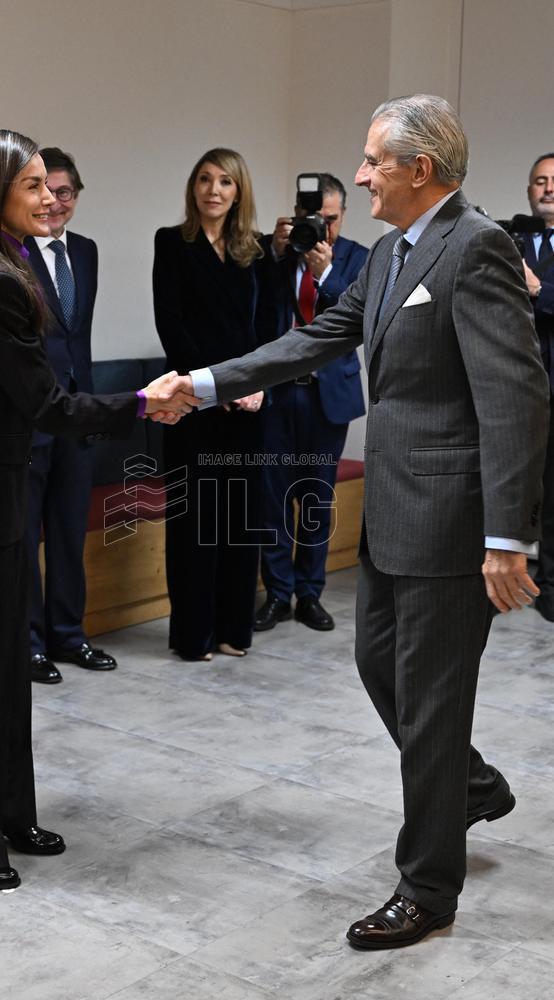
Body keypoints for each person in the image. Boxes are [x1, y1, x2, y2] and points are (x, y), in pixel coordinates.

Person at [166, 96, 549, 946]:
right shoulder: (388, 255)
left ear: (421, 168)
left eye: (374, 161)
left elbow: (516, 399)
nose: (362, 174)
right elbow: (316, 339)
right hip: (391, 518)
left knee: (436, 704)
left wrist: (505, 537)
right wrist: (201, 385)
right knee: (385, 672)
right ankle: (472, 787)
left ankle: (428, 888)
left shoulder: (476, 245)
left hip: (451, 527)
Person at [0, 129, 195, 891]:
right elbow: (45, 403)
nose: (48, 197)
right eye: (31, 185)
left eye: (49, 184)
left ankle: (3, 814)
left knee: (1, 672)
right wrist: (140, 402)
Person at [152, 147, 277, 661]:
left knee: (239, 521)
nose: (213, 190)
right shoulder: (171, 243)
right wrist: (215, 386)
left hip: (248, 406)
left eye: (225, 181)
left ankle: (233, 629)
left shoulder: (259, 250)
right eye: (204, 179)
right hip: (193, 405)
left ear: (239, 190)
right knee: (195, 524)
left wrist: (259, 383)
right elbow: (171, 325)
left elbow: (271, 327)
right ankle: (193, 635)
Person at [255, 173, 367, 633]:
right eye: (311, 218)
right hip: (278, 395)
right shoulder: (272, 253)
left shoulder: (359, 258)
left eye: (330, 220)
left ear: (342, 216)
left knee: (316, 501)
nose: (320, 229)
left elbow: (358, 317)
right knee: (272, 500)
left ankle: (309, 594)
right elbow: (252, 305)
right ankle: (277, 594)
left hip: (327, 398)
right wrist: (278, 254)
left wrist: (325, 274)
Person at [24, 147, 113, 685]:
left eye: (65, 192)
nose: (55, 202)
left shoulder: (86, 251)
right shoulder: (9, 252)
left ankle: (69, 634)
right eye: (44, 191)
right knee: (27, 535)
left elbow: (77, 338)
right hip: (32, 414)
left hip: (79, 413)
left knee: (67, 531)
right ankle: (30, 644)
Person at [521, 152, 554, 620]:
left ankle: (549, 583)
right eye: (540, 181)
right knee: (516, 485)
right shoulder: (510, 240)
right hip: (515, 387)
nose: (548, 188)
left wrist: (537, 290)